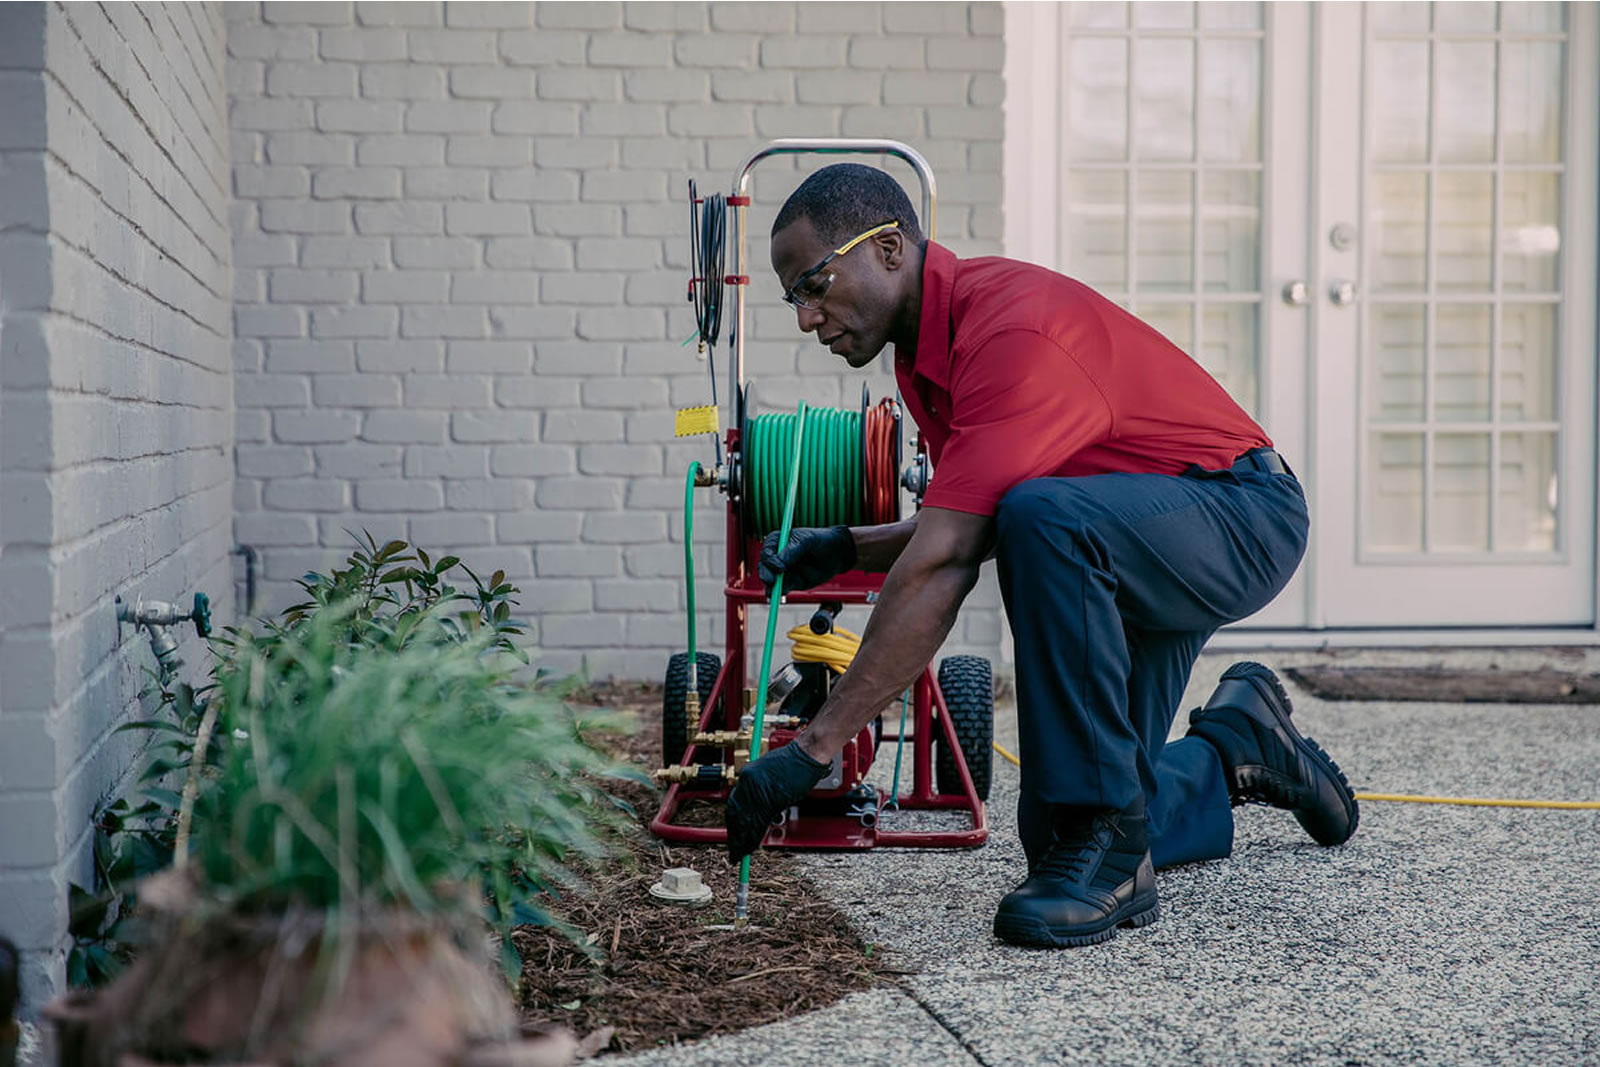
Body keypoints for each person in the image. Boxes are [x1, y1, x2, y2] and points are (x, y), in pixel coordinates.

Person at [723, 163, 1358, 949]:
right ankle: (1239, 744)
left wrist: (813, 749)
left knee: (1045, 523)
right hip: (1134, 540)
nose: (806, 316)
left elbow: (949, 556)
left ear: (888, 248)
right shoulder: (926, 354)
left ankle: (1116, 855)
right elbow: (966, 519)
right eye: (794, 296)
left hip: (1238, 514)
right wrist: (848, 547)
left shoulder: (1011, 332)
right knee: (1061, 835)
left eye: (814, 283)